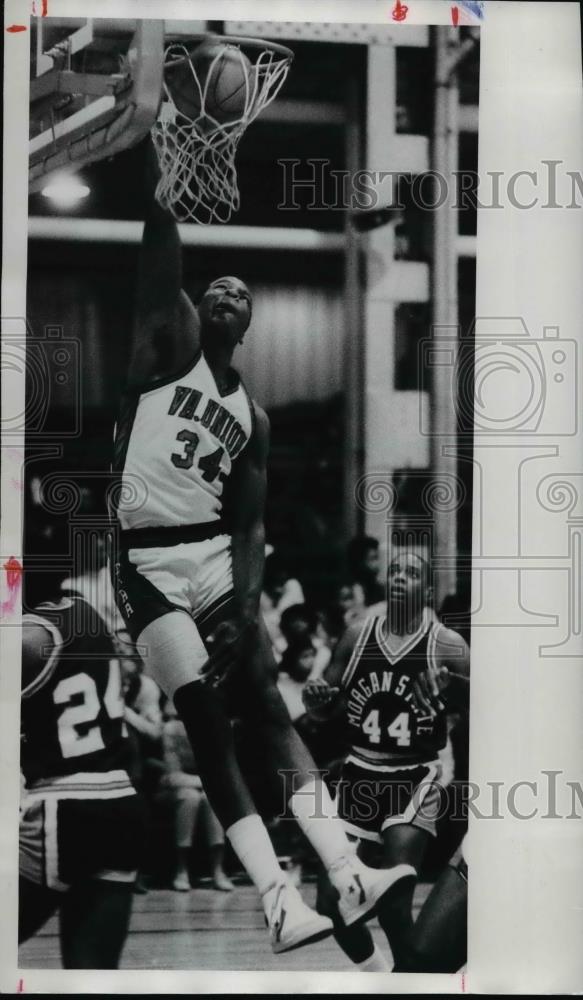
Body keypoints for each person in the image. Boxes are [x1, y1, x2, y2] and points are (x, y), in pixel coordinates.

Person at [109, 138, 412, 955]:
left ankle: (346, 872)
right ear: (197, 309)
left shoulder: (255, 418)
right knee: (207, 722)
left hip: (211, 557)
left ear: (250, 321)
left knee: (269, 709)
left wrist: (245, 607)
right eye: (216, 285)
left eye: (239, 291)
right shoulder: (162, 348)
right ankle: (277, 898)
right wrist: (166, 144)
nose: (226, 291)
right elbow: (158, 244)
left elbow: (248, 526)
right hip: (143, 564)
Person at [302, 549, 470, 971]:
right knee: (331, 902)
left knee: (396, 900)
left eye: (411, 573)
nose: (399, 576)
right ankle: (380, 975)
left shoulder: (447, 644)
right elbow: (326, 709)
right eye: (394, 569)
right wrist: (317, 701)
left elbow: (489, 707)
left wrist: (455, 688)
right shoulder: (357, 633)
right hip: (360, 770)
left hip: (416, 772)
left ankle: (409, 977)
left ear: (428, 590)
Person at [19, 579, 143, 968]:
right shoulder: (86, 613)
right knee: (92, 978)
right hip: (120, 804)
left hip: (62, 807)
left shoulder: (27, 637)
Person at [158, 702, 234, 892]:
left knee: (209, 798)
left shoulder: (215, 727)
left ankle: (218, 869)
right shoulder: (171, 729)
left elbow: (222, 772)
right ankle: (181, 870)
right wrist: (208, 783)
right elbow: (173, 776)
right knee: (189, 797)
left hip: (205, 787)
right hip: (174, 790)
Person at [346, 535, 385, 606]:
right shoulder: (348, 592)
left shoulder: (379, 589)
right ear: (360, 562)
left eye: (377, 558)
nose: (378, 564)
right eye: (373, 559)